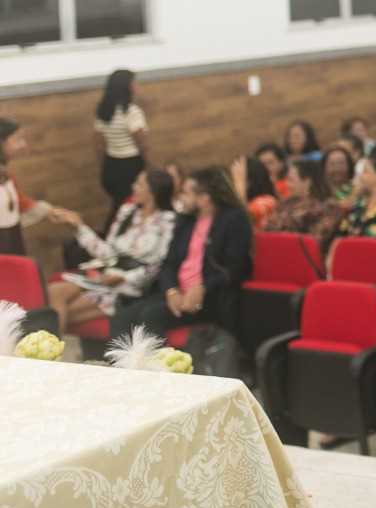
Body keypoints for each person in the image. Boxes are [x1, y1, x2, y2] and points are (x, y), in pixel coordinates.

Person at [110, 166, 254, 342]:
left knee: (151, 315)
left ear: (204, 198)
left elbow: (236, 268)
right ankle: (122, 367)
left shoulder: (233, 220)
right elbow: (169, 263)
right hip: (178, 292)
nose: (180, 197)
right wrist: (171, 291)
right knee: (124, 315)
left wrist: (203, 288)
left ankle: (154, 368)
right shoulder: (187, 220)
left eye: (186, 193)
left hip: (210, 296)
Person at [46, 168, 177, 330]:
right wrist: (78, 227)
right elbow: (108, 253)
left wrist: (124, 278)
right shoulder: (127, 213)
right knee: (54, 292)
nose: (133, 187)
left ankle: (49, 349)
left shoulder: (169, 222)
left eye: (139, 184)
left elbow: (160, 265)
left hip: (131, 286)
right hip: (107, 277)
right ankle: (50, 347)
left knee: (59, 314)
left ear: (152, 191)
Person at [93, 69, 149, 232]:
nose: (137, 86)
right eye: (134, 83)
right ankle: (111, 237)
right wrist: (147, 163)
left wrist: (103, 163)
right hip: (129, 166)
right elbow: (141, 141)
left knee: (120, 205)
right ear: (127, 87)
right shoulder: (132, 112)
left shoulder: (104, 111)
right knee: (125, 208)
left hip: (111, 166)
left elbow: (97, 142)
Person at [260, 156, 344, 251]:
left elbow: (316, 241)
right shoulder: (285, 203)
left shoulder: (329, 208)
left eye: (291, 180)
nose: (287, 184)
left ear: (307, 182)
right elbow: (268, 230)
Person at [0, 119, 55, 256]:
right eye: (17, 140)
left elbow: (18, 200)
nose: (23, 145)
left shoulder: (5, 174)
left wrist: (50, 211)